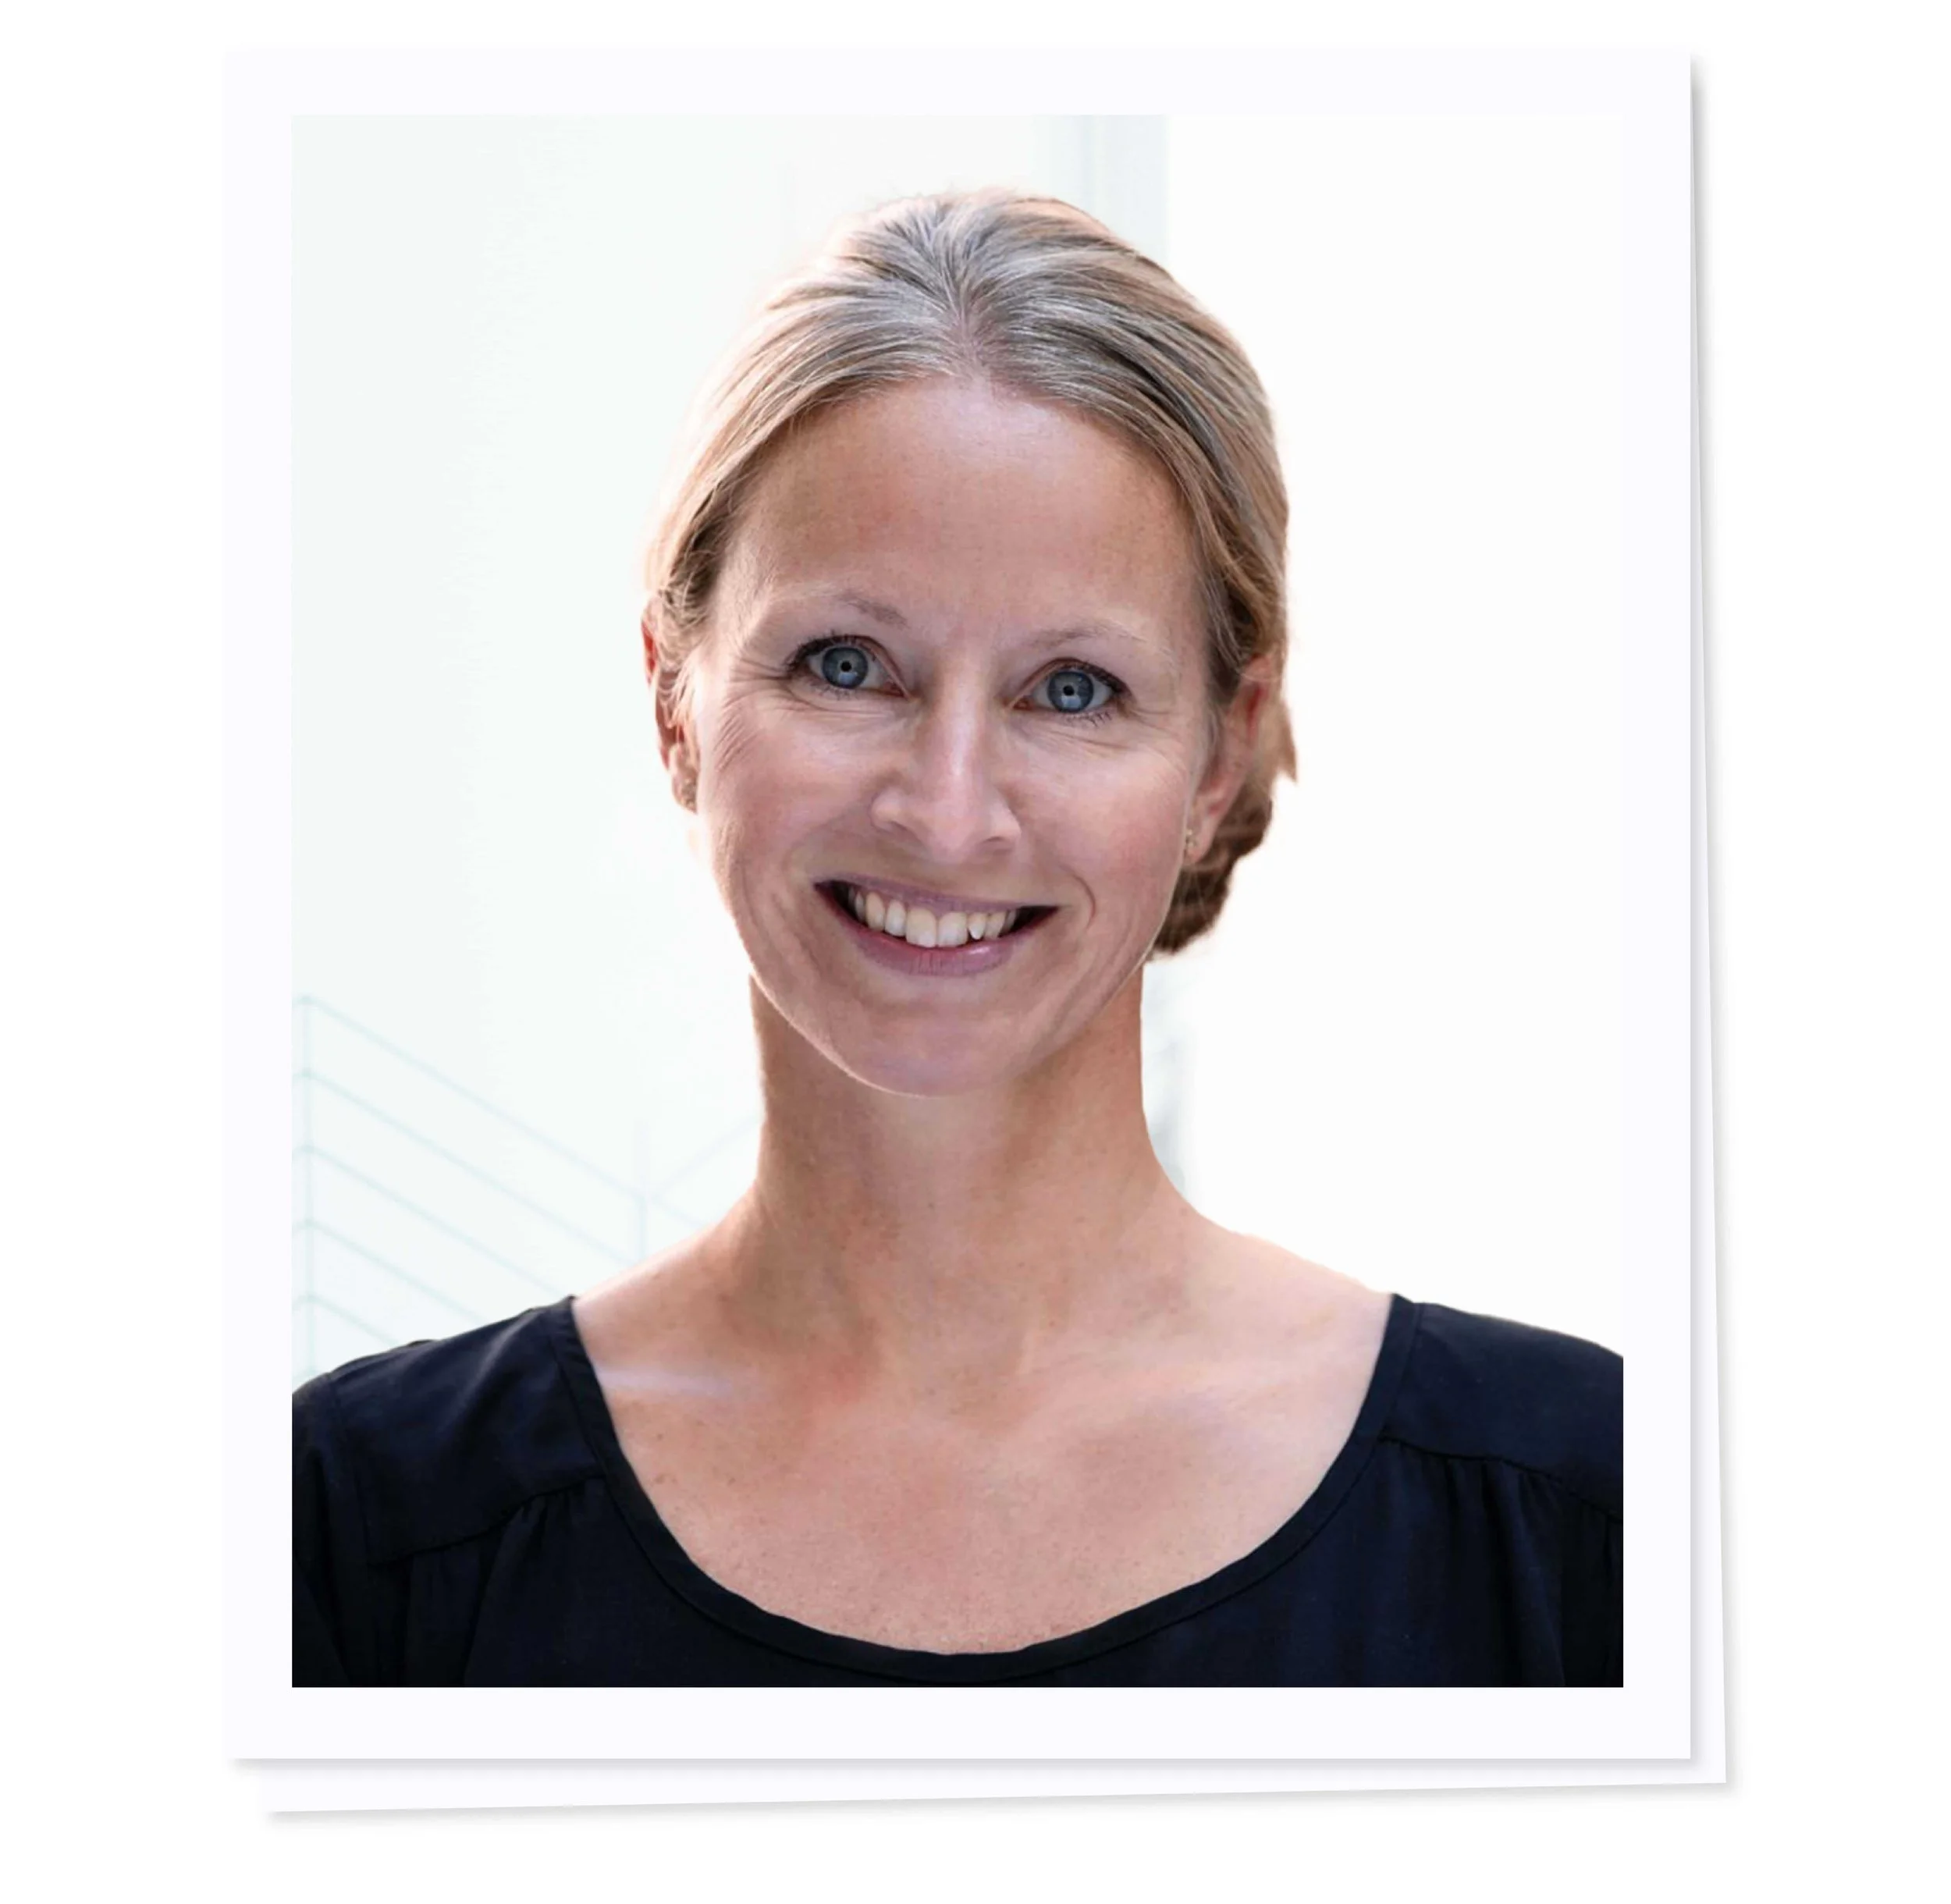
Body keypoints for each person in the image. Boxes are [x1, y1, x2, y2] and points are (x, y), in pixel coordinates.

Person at [293, 188, 1621, 1686]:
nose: (946, 811)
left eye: (1072, 691)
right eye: (847, 664)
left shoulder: (1584, 1517)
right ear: (674, 693)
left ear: (1217, 755)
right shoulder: (350, 1526)